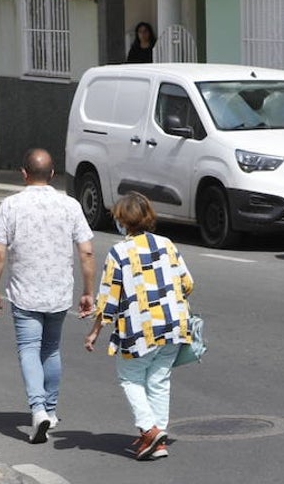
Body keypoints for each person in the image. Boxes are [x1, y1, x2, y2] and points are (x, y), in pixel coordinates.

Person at [0, 148, 96, 444]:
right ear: (52, 174)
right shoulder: (70, 205)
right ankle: (50, 408)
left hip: (25, 292)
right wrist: (88, 291)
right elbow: (86, 251)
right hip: (58, 292)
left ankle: (37, 410)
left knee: (28, 348)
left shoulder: (11, 205)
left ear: (24, 174)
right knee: (51, 349)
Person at [84, 191, 195, 461]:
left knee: (130, 378)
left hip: (140, 329)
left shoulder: (120, 252)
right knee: (159, 380)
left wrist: (95, 331)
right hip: (174, 326)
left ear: (123, 221)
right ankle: (158, 439)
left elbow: (109, 297)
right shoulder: (167, 244)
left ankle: (149, 429)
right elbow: (188, 283)